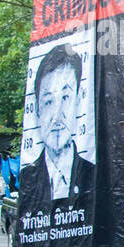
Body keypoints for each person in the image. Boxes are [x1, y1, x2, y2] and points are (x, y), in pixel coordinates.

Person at [20, 44, 95, 217]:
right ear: (38, 110)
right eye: (48, 102)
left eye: (65, 98)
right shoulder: (28, 179)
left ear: (77, 101)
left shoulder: (93, 175)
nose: (57, 115)